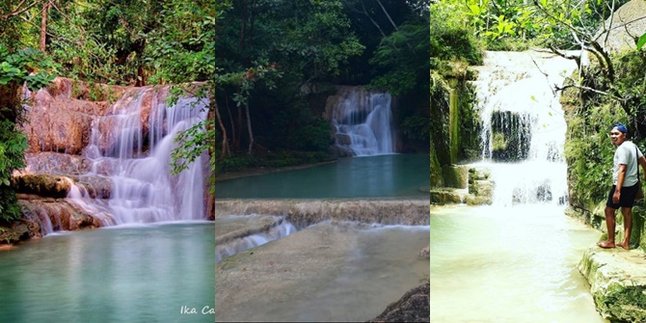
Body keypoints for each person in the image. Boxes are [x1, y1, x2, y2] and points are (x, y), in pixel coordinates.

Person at [598, 123, 646, 250]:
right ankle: (625, 242)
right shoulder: (633, 146)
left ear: (624, 135)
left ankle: (610, 241)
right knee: (627, 211)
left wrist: (617, 191)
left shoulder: (622, 149)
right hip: (633, 185)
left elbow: (622, 169)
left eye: (616, 134)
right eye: (612, 134)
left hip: (622, 186)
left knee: (609, 211)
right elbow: (643, 161)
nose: (613, 136)